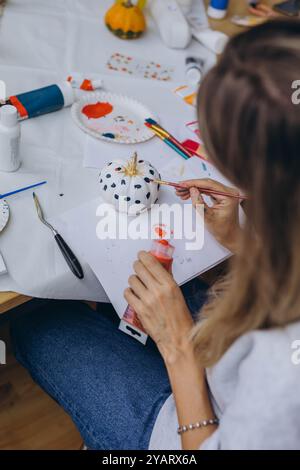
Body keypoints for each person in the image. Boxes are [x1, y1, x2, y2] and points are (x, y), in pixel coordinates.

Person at [11, 19, 300, 450]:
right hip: (236, 355)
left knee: (37, 323)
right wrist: (243, 248)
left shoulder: (283, 373)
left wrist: (178, 346)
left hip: (200, 429)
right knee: (117, 288)